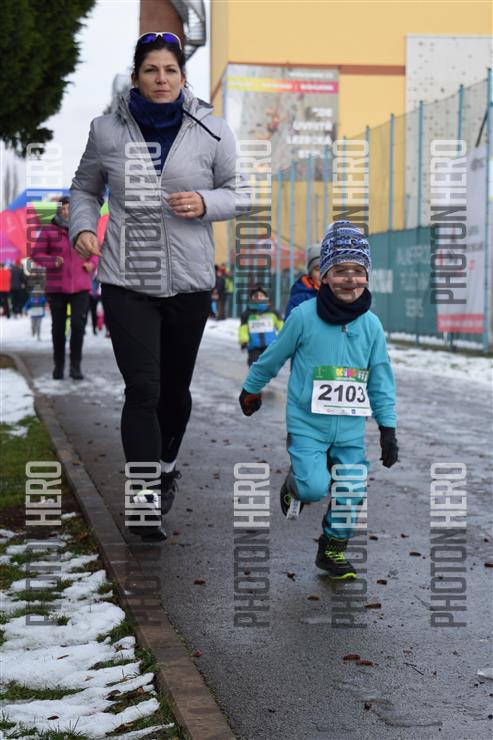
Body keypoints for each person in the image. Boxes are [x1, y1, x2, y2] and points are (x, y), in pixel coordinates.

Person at [69, 31, 248, 540]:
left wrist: (205, 203)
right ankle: (144, 498)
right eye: (151, 70)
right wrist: (82, 227)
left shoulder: (213, 130)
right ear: (137, 77)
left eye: (170, 70)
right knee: (143, 388)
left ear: (183, 77)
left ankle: (166, 467)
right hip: (127, 276)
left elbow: (242, 193)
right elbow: (85, 188)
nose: (161, 79)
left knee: (173, 392)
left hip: (189, 280)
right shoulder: (106, 130)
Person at [239, 221, 399, 580]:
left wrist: (387, 428)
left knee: (352, 489)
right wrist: (251, 389)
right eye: (340, 271)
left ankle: (331, 549)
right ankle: (294, 485)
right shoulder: (304, 317)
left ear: (367, 276)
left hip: (349, 429)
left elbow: (381, 380)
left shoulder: (371, 325)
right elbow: (272, 356)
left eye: (358, 271)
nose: (349, 279)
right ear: (324, 275)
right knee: (312, 487)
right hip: (307, 423)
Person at [32, 197, 97, 380]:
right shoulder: (49, 230)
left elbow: (95, 251)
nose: (67, 212)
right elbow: (36, 254)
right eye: (64, 209)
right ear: (59, 210)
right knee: (58, 329)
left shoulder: (84, 230)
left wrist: (92, 264)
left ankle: (75, 366)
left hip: (81, 287)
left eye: (70, 208)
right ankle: (58, 366)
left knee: (78, 325)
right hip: (57, 287)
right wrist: (52, 261)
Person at [239, 285, 284, 366]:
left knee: (269, 366)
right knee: (254, 366)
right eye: (255, 296)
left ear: (266, 298)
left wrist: (283, 338)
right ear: (251, 299)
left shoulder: (273, 312)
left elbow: (281, 327)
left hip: (270, 346)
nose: (258, 298)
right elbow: (243, 329)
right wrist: (243, 341)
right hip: (254, 347)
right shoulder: (247, 314)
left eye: (261, 296)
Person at [284, 244, 320, 320]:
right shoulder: (299, 299)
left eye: (326, 269)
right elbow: (291, 325)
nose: (322, 274)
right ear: (310, 273)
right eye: (317, 269)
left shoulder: (339, 294)